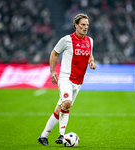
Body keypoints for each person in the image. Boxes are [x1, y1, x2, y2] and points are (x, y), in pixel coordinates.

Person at [38, 13, 97, 146]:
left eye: (87, 25)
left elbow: (90, 55)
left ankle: (43, 136)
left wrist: (91, 62)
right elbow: (54, 53)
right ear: (76, 25)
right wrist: (52, 71)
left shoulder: (90, 41)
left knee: (61, 108)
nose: (85, 27)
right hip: (66, 78)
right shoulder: (67, 40)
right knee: (67, 103)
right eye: (82, 25)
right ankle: (61, 135)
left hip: (78, 82)